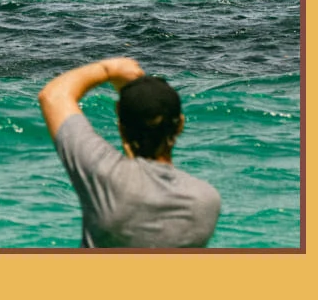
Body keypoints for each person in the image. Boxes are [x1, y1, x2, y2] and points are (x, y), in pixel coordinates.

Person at [36, 56, 221, 248]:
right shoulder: (206, 200)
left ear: (121, 126)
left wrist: (110, 70)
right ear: (180, 124)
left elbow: (54, 96)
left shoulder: (105, 175)